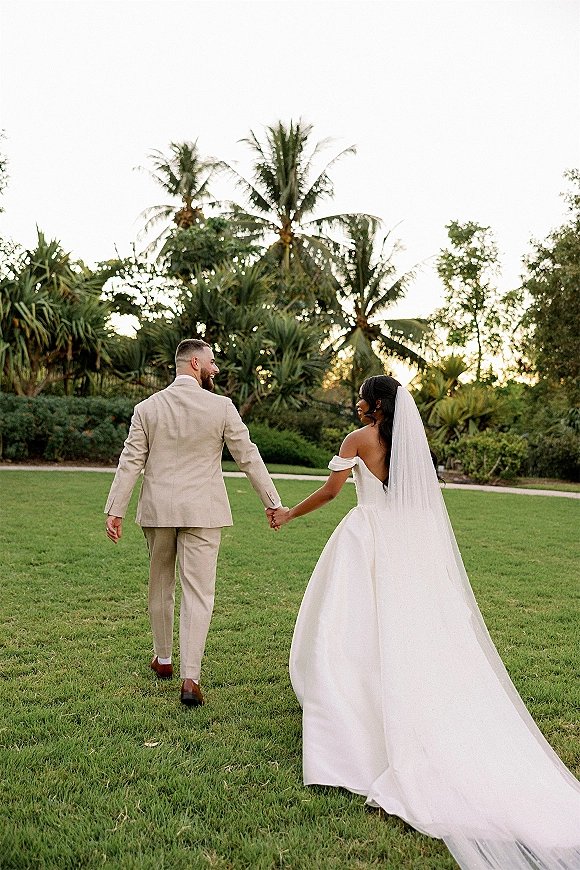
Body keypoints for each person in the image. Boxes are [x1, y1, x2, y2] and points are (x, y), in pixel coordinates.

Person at [271, 376, 580, 870]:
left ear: (374, 404)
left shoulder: (359, 440)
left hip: (368, 536)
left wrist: (287, 514)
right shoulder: (410, 443)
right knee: (406, 627)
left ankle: (350, 704)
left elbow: (331, 493)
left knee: (351, 627)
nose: (355, 403)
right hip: (407, 542)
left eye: (360, 396)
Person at [105, 338, 281, 707]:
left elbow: (131, 460)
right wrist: (271, 501)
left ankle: (164, 659)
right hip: (204, 510)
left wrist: (115, 509)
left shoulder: (147, 408)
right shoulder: (221, 406)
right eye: (212, 363)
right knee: (199, 592)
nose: (215, 369)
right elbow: (248, 456)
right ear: (196, 363)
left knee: (160, 585)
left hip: (158, 510)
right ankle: (191, 678)